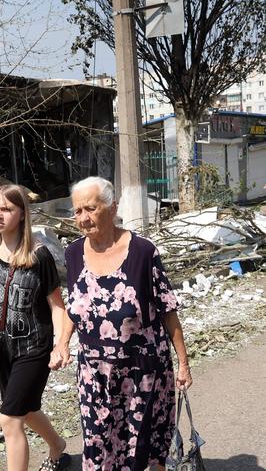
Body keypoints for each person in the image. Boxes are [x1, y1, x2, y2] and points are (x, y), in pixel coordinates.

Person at [51, 176, 193, 471]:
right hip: (94, 376)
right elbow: (74, 308)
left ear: (112, 206)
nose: (83, 218)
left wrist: (183, 362)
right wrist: (62, 344)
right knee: (99, 445)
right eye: (77, 211)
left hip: (142, 373)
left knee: (142, 448)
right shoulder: (73, 253)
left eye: (90, 208)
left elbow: (167, 308)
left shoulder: (143, 252)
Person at [0, 184, 71, 471]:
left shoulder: (38, 256)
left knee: (9, 418)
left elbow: (57, 306)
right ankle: (58, 446)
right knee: (26, 409)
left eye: (6, 209)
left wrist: (60, 345)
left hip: (34, 347)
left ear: (21, 214)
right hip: (5, 349)